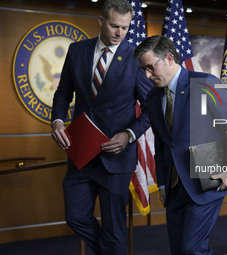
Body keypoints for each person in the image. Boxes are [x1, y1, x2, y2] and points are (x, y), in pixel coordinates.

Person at [51, 0, 152, 254]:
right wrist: (57, 120)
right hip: (81, 154)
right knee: (75, 216)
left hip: (116, 158)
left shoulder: (137, 58)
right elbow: (63, 93)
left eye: (125, 28)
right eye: (114, 25)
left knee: (115, 229)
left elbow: (152, 109)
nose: (120, 33)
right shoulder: (77, 51)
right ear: (100, 21)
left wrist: (129, 135)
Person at [134, 35, 227, 255]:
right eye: (144, 70)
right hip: (175, 187)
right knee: (179, 250)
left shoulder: (205, 83)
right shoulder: (153, 98)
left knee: (193, 249)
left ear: (168, 58)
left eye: (150, 67)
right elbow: (162, 144)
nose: (147, 76)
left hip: (206, 181)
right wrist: (163, 185)